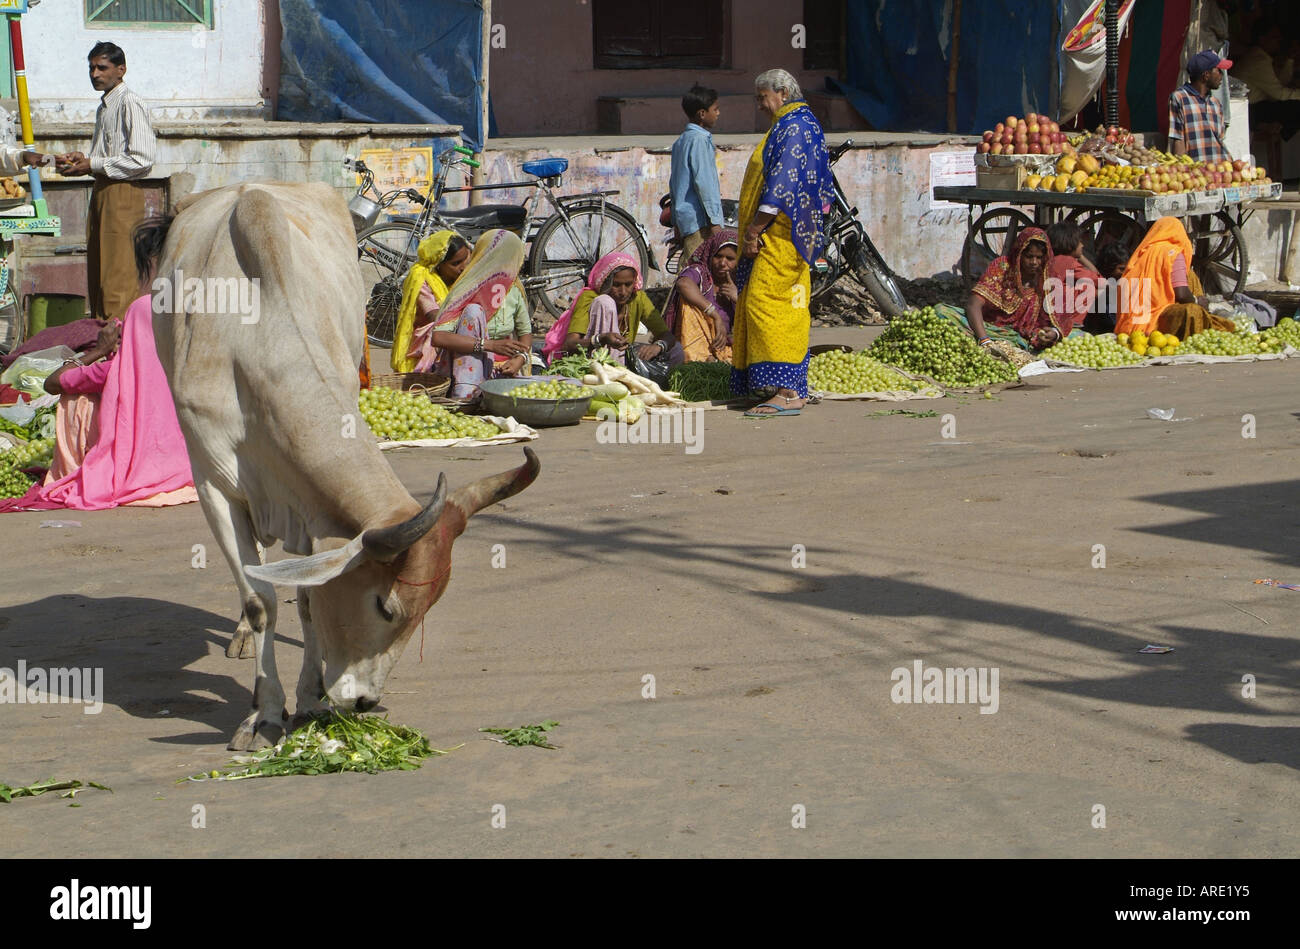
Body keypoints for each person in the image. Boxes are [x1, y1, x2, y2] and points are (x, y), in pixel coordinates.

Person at [0, 219, 197, 512]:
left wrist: (100, 351)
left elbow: (53, 383)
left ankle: (79, 463)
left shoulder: (118, 368)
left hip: (133, 464)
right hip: (188, 466)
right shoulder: (188, 355)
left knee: (75, 400)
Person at [732, 68, 834, 418]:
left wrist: (753, 230)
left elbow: (781, 187)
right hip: (787, 234)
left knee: (769, 305)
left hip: (783, 235)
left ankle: (789, 391)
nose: (760, 105)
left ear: (783, 93)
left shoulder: (794, 128)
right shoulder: (797, 123)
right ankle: (771, 385)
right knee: (775, 304)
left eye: (763, 98)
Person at [56, 43, 157, 323]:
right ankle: (103, 346)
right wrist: (85, 161)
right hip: (103, 190)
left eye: (102, 67)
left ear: (121, 70)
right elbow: (107, 157)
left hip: (123, 194)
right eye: (91, 67)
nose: (95, 73)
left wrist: (94, 163)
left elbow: (142, 159)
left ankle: (121, 349)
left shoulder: (129, 102)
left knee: (118, 276)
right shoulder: (106, 106)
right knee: (100, 273)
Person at [408, 229, 531, 398]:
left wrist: (520, 358)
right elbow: (439, 337)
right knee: (473, 311)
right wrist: (490, 346)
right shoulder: (467, 289)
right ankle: (465, 396)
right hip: (466, 368)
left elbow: (525, 334)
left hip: (503, 369)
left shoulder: (513, 290)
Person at [543, 252, 682, 369]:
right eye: (616, 285)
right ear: (605, 282)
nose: (623, 292)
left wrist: (658, 346)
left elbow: (666, 335)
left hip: (623, 360)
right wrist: (600, 339)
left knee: (676, 350)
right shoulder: (590, 298)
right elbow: (570, 344)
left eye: (628, 285)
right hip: (589, 362)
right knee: (605, 302)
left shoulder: (637, 297)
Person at [1114, 217, 1235, 339]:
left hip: (1130, 324)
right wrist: (1197, 301)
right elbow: (1182, 294)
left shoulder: (1142, 253)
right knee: (1193, 311)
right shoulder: (1173, 252)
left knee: (1190, 276)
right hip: (1154, 324)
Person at [964, 227, 1074, 351]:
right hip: (991, 329)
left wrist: (1054, 333)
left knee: (1076, 335)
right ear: (1019, 254)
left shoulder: (1048, 276)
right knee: (944, 312)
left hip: (1027, 335)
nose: (1034, 262)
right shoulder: (1002, 267)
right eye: (1029, 256)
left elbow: (1062, 316)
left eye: (1039, 257)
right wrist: (985, 340)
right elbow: (973, 304)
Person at [391, 230, 471, 372]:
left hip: (453, 330)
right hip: (425, 341)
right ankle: (426, 375)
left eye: (466, 259)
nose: (463, 267)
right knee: (436, 333)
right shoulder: (421, 278)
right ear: (438, 264)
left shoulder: (462, 277)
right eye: (456, 263)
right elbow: (435, 317)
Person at [662, 229, 739, 363]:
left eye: (730, 259)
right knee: (687, 302)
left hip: (725, 345)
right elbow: (683, 284)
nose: (722, 263)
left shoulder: (740, 282)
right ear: (710, 254)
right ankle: (699, 359)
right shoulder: (701, 272)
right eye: (718, 256)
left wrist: (737, 298)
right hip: (695, 344)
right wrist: (714, 315)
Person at [670, 85, 725, 260]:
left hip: (686, 220)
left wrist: (675, 221)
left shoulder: (681, 141)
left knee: (691, 268)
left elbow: (674, 184)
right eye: (715, 109)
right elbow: (705, 184)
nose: (718, 113)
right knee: (696, 274)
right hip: (700, 222)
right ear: (702, 114)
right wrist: (715, 221)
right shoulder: (700, 141)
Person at [1168, 50, 1233, 164]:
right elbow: (1178, 139)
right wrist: (1181, 171)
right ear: (1206, 75)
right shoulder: (1180, 98)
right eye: (1218, 70)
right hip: (1197, 171)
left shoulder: (1215, 103)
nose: (1222, 75)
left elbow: (1220, 140)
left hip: (1221, 169)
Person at [1235, 28, 1300, 140]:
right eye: (1274, 38)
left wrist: (1290, 60)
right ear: (1262, 39)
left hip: (1254, 106)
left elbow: (1280, 85)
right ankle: (1277, 131)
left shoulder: (1261, 57)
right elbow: (1279, 94)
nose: (1278, 42)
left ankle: (1279, 132)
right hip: (1247, 110)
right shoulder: (1258, 60)